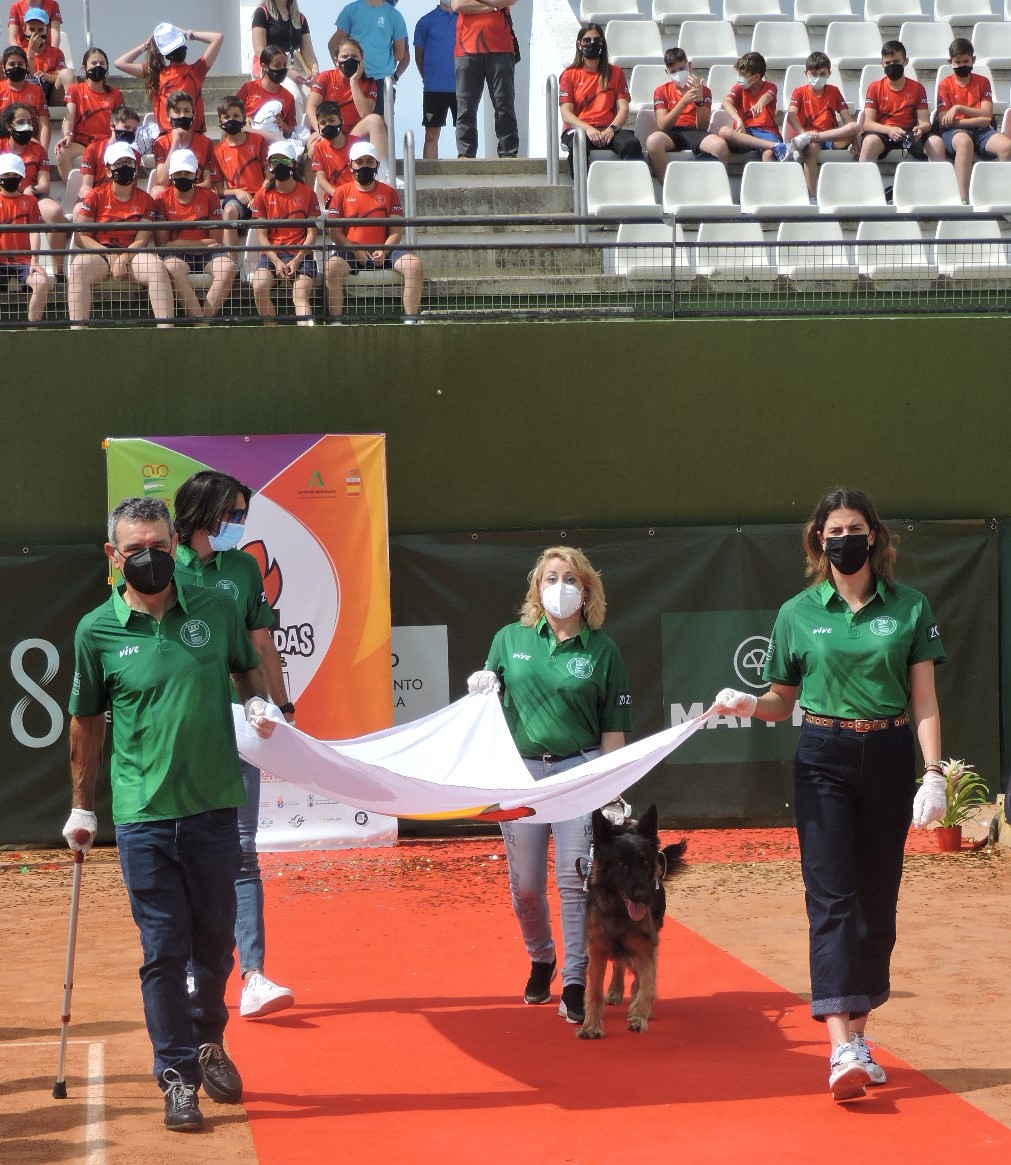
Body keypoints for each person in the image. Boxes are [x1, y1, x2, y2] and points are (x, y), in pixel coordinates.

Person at [711, 487, 946, 1104]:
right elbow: (780, 700)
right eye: (833, 530)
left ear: (874, 536)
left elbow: (923, 698)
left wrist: (935, 772)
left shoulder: (911, 607)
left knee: (877, 901)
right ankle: (839, 1043)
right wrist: (746, 704)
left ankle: (861, 1040)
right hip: (824, 758)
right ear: (819, 541)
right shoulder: (796, 613)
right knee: (833, 897)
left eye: (856, 528)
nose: (844, 538)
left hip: (891, 755)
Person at [62, 496, 282, 1132]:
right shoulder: (95, 631)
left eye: (159, 544)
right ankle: (178, 1075)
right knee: (163, 949)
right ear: (114, 557)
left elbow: (247, 672)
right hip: (143, 816)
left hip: (214, 806)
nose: (152, 558)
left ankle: (210, 1038)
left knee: (214, 946)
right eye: (137, 550)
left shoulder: (212, 608)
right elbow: (85, 720)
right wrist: (81, 805)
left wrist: (262, 705)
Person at [467, 546, 632, 1028]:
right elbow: (486, 704)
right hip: (521, 775)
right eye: (548, 578)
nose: (558, 586)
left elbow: (614, 729)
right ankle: (542, 957)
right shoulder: (509, 639)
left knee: (575, 880)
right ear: (536, 588)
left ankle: (577, 981)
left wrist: (612, 789)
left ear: (586, 589)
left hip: (579, 771)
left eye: (568, 578)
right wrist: (482, 686)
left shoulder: (603, 650)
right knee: (526, 889)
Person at [172, 472, 296, 1018]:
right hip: (179, 725)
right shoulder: (160, 567)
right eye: (232, 513)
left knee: (241, 850)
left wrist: (282, 707)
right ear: (201, 512)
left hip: (241, 721)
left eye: (243, 514)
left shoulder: (243, 567)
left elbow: (261, 641)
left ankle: (254, 976)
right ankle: (191, 972)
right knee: (182, 851)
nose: (239, 524)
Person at [69, 141, 175, 328]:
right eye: (118, 163)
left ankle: (166, 330)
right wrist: (110, 256)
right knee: (78, 267)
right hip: (100, 253)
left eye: (128, 162)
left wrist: (123, 258)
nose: (124, 167)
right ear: (108, 170)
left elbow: (142, 239)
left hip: (132, 254)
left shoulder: (146, 200)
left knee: (157, 268)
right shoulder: (94, 196)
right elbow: (80, 237)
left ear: (135, 168)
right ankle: (78, 333)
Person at [324, 138, 421, 323]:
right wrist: (356, 250)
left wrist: (384, 251)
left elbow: (396, 231)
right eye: (359, 162)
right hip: (351, 251)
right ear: (351, 165)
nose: (364, 166)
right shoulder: (341, 192)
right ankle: (336, 320)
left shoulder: (389, 192)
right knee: (331, 268)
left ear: (376, 164)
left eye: (369, 162)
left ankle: (410, 319)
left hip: (386, 249)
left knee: (414, 266)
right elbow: (335, 233)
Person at [154, 148, 236, 323]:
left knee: (228, 267)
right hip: (178, 255)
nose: (182, 177)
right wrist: (190, 245)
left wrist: (179, 243)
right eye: (178, 173)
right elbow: (162, 244)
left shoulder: (209, 197)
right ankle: (201, 321)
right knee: (172, 268)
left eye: (187, 173)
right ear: (170, 175)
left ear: (196, 174)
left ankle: (203, 319)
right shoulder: (161, 199)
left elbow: (216, 240)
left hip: (205, 253)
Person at [924, 37, 1011, 203]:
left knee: (1007, 147)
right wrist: (976, 119)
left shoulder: (982, 82)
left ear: (973, 60)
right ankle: (962, 198)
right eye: (958, 62)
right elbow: (944, 121)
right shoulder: (945, 85)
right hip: (954, 132)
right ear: (950, 62)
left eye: (966, 61)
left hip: (982, 132)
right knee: (964, 142)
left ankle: (996, 192)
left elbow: (986, 117)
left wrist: (958, 108)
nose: (962, 65)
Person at [250, 137, 319, 324]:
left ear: (294, 164)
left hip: (301, 255)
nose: (280, 165)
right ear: (269, 165)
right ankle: (273, 337)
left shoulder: (308, 194)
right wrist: (277, 261)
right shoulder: (262, 196)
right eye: (275, 161)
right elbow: (261, 236)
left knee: (300, 294)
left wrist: (297, 260)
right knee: (259, 287)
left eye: (285, 160)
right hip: (271, 256)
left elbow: (312, 234)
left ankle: (306, 341)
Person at [115, 23, 224, 135]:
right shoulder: (156, 73)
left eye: (180, 46)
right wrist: (146, 45)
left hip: (194, 135)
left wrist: (188, 34)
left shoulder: (197, 70)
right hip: (167, 136)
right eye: (173, 49)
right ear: (166, 55)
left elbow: (218, 38)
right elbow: (120, 63)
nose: (178, 51)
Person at [559, 24, 642, 165]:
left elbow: (623, 108)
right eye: (587, 40)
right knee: (579, 147)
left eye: (597, 40)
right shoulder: (569, 75)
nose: (592, 44)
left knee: (632, 145)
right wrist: (588, 129)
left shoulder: (615, 73)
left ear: (602, 43)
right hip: (580, 129)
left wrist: (611, 129)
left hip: (608, 128)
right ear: (579, 45)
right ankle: (581, 187)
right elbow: (566, 114)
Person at [306, 36, 389, 166]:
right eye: (344, 57)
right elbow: (311, 107)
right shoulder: (326, 77)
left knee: (376, 120)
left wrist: (354, 81)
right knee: (313, 145)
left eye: (354, 56)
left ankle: (383, 173)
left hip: (351, 135)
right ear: (336, 60)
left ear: (361, 60)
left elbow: (366, 113)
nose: (349, 60)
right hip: (327, 130)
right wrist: (320, 130)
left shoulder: (369, 84)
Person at [451, 0, 518, 160]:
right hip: (466, 49)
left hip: (501, 47)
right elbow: (458, 5)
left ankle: (508, 152)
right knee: (465, 106)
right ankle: (466, 154)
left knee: (504, 103)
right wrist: (494, 5)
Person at [0, 102, 62, 271]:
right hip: (4, 195)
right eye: (21, 122)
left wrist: (31, 190)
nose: (27, 126)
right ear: (8, 125)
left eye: (29, 121)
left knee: (56, 212)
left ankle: (58, 269)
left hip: (32, 196)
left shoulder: (38, 149)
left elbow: (45, 185)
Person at [786, 52, 857, 199]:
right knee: (811, 148)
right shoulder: (799, 92)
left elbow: (847, 118)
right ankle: (812, 197)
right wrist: (802, 132)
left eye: (822, 74)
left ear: (829, 74)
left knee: (855, 127)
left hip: (831, 138)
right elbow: (791, 115)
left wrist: (855, 140)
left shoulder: (834, 91)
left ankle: (813, 137)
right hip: (808, 138)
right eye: (814, 74)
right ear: (806, 73)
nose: (818, 77)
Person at [699, 51, 787, 165]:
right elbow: (726, 103)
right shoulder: (739, 88)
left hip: (766, 132)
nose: (740, 78)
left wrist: (760, 104)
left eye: (743, 75)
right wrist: (738, 119)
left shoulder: (770, 86)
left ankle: (768, 177)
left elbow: (767, 96)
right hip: (744, 133)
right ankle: (774, 146)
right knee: (724, 131)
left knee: (768, 154)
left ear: (756, 77)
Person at [328, 0, 408, 116]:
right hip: (354, 79)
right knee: (353, 125)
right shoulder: (394, 15)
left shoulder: (352, 9)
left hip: (380, 82)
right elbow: (334, 44)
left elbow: (401, 55)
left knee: (376, 127)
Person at [55, 46, 122, 181]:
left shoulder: (116, 94)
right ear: (84, 67)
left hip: (106, 143)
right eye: (94, 63)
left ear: (107, 67)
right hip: (82, 144)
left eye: (102, 63)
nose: (98, 66)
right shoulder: (76, 90)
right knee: (61, 152)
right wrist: (67, 135)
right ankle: (73, 189)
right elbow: (70, 115)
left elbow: (120, 121)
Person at [859, 40, 930, 165]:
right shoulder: (874, 87)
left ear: (905, 61)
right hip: (883, 133)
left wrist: (920, 129)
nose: (892, 65)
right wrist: (889, 130)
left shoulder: (917, 88)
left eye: (896, 61)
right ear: (882, 64)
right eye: (888, 62)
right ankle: (863, 184)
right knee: (869, 142)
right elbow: (867, 124)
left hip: (909, 134)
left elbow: (925, 123)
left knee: (936, 143)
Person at [212, 95, 269, 249]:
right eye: (227, 117)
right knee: (229, 211)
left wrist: (259, 195)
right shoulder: (218, 151)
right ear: (220, 121)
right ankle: (233, 263)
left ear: (244, 117)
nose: (232, 120)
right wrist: (237, 191)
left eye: (236, 116)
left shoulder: (258, 141)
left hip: (262, 194)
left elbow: (269, 175)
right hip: (237, 199)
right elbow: (218, 190)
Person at [645, 47, 711, 178]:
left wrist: (699, 101)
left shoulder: (704, 90)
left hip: (695, 132)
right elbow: (663, 125)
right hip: (672, 134)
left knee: (719, 145)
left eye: (681, 69)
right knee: (653, 141)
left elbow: (703, 128)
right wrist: (683, 102)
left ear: (689, 66)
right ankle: (667, 189)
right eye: (673, 71)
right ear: (667, 72)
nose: (678, 74)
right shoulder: (661, 91)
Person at [0, 149, 49, 322]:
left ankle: (32, 329)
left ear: (21, 177)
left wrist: (34, 260)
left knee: (42, 283)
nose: (10, 178)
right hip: (1, 260)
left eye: (14, 174)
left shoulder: (31, 202)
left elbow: (34, 231)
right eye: (6, 174)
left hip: (25, 262)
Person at [151, 89, 217, 197]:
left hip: (196, 192)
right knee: (157, 192)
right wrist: (174, 145)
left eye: (187, 111)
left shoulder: (205, 143)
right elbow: (163, 181)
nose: (182, 115)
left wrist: (187, 189)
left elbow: (208, 182)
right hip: (172, 194)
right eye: (177, 111)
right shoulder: (160, 143)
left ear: (193, 114)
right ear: (168, 116)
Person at [414, 0, 457, 160]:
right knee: (431, 135)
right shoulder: (425, 22)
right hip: (434, 89)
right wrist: (429, 78)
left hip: (463, 87)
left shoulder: (466, 18)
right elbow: (419, 56)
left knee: (465, 134)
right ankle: (429, 174)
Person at [250, 0, 319, 92]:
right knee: (294, 96)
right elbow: (259, 50)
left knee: (314, 95)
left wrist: (315, 73)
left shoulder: (300, 18)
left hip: (296, 63)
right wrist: (285, 71)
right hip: (273, 66)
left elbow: (308, 53)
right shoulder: (262, 13)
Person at [237, 44, 297, 143]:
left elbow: (291, 129)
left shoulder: (288, 97)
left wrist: (284, 126)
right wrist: (244, 119)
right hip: (248, 139)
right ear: (264, 66)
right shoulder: (248, 88)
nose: (282, 69)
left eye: (285, 65)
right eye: (277, 65)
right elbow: (231, 112)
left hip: (274, 142)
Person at [0, 43, 48, 148]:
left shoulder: (36, 91)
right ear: (4, 68)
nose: (16, 67)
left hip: (30, 143)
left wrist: (42, 151)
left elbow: (44, 124)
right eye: (12, 64)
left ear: (26, 66)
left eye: (20, 64)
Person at [22, 6, 72, 103]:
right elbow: (26, 78)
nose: (35, 34)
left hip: (52, 95)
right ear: (24, 30)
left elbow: (61, 77)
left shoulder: (56, 52)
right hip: (29, 97)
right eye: (31, 29)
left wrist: (48, 77)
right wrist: (31, 52)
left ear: (47, 30)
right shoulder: (20, 52)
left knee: (66, 74)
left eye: (40, 30)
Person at [309, 99, 353, 204]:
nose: (328, 125)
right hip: (334, 198)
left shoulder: (357, 142)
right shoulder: (319, 148)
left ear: (341, 120)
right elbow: (321, 180)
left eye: (332, 120)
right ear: (318, 127)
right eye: (323, 123)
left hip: (356, 196)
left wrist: (353, 196)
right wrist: (339, 195)